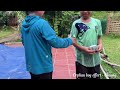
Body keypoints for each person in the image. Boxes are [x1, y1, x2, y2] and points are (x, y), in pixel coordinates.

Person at [20, 11, 76, 79]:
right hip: (43, 66)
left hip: (31, 66)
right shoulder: (41, 23)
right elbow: (55, 42)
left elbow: (24, 42)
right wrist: (70, 40)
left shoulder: (24, 24)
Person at [70, 11, 103, 79]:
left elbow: (99, 37)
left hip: (95, 60)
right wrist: (83, 48)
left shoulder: (97, 22)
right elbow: (73, 41)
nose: (85, 11)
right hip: (82, 61)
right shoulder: (76, 24)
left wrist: (100, 44)